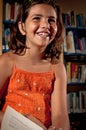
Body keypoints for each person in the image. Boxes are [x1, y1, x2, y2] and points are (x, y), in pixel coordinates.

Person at [0, 0, 70, 130]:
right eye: (36, 18)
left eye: (51, 20)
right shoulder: (6, 61)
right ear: (22, 27)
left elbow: (61, 115)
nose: (45, 25)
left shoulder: (57, 67)